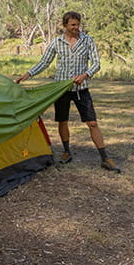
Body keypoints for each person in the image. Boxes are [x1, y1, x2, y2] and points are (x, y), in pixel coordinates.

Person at [15, 11, 120, 173]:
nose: (76, 28)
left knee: (92, 123)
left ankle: (105, 158)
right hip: (61, 89)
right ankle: (66, 152)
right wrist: (27, 74)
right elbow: (44, 62)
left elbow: (96, 63)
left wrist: (86, 75)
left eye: (78, 24)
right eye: (72, 25)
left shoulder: (87, 40)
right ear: (65, 25)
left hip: (81, 89)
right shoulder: (57, 42)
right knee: (62, 121)